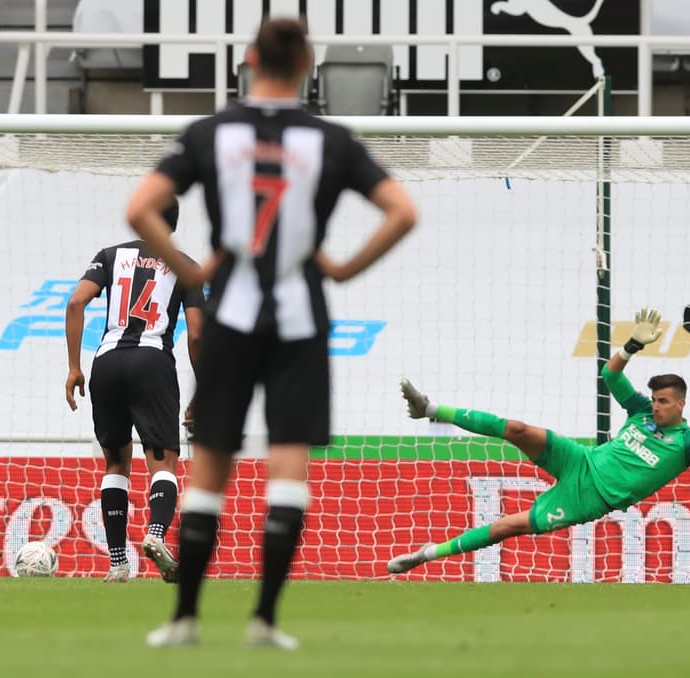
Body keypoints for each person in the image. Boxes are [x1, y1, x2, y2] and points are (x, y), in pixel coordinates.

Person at [125, 17, 416, 649]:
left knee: (210, 469)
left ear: (250, 60)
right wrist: (341, 268)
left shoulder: (212, 131)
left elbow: (139, 208)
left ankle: (184, 620)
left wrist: (192, 269)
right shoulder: (330, 139)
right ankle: (263, 621)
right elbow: (403, 211)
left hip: (230, 311)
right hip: (300, 320)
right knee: (288, 469)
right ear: (309, 63)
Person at [386, 308, 690, 575]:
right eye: (654, 400)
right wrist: (633, 344)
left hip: (589, 498)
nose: (655, 407)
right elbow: (611, 373)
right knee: (517, 428)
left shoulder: (689, 443)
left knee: (505, 527)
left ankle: (423, 556)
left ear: (681, 404)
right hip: (581, 460)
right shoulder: (640, 411)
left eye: (663, 402)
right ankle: (429, 408)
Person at [64, 200, 204, 584]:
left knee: (115, 464)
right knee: (163, 461)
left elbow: (76, 301)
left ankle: (117, 564)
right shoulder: (187, 267)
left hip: (106, 363)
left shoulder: (110, 256)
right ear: (173, 224)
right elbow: (196, 334)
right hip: (152, 362)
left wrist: (75, 366)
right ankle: (155, 535)